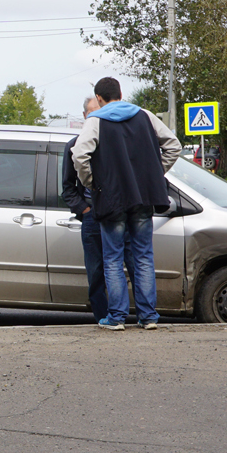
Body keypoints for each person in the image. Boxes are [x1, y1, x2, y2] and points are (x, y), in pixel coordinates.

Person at [71, 77, 181, 331]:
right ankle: (148, 317)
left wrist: (92, 183)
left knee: (112, 259)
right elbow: (173, 146)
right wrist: (154, 175)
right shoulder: (145, 115)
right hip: (142, 198)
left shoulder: (96, 120)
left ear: (98, 99)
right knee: (143, 256)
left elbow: (79, 154)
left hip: (111, 200)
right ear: (120, 93)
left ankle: (117, 318)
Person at [61, 97, 110, 323]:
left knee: (120, 268)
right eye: (92, 114)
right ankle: (102, 318)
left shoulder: (112, 143)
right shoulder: (73, 146)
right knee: (96, 272)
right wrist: (85, 210)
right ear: (84, 117)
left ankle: (121, 315)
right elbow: (67, 189)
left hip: (116, 213)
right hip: (92, 218)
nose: (95, 119)